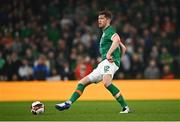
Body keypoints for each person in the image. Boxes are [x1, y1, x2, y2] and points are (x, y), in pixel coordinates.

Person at [55, 10, 130, 113]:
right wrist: (118, 59)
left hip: (108, 62)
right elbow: (124, 48)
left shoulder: (109, 31)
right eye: (98, 19)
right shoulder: (105, 33)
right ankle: (68, 103)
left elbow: (117, 40)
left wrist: (110, 55)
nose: (99, 20)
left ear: (108, 20)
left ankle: (125, 107)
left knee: (107, 83)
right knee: (82, 82)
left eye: (102, 18)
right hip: (104, 63)